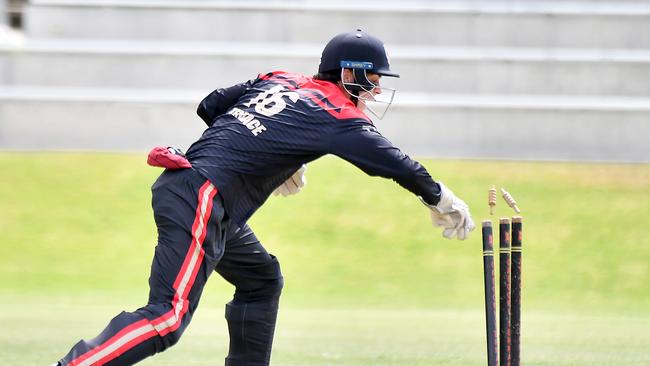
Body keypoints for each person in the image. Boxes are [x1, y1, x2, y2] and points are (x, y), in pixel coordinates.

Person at [54, 29, 475, 366]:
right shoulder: (337, 115)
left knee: (261, 280)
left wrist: (277, 154)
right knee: (167, 317)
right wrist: (439, 198)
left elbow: (210, 105)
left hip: (199, 193)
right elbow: (394, 163)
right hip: (201, 196)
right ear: (350, 74)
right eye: (374, 77)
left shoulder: (280, 78)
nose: (378, 88)